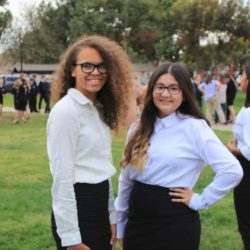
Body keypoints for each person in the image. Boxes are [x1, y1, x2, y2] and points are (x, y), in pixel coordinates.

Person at [115, 62, 243, 250]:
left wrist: (200, 200)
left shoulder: (195, 128)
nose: (165, 94)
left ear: (184, 94)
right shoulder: (138, 127)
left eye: (174, 88)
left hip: (175, 224)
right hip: (137, 222)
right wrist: (120, 223)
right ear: (151, 90)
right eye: (160, 87)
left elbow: (232, 170)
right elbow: (126, 179)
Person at [47, 35, 133, 250]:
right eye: (87, 66)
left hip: (100, 207)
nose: (95, 72)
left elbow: (103, 169)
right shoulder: (66, 112)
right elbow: (62, 179)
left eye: (101, 66)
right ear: (72, 70)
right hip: (78, 210)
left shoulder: (98, 110)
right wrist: (71, 239)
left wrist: (111, 217)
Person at [227, 64, 250, 250]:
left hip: (247, 172)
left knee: (247, 224)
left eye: (243, 76)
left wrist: (235, 150)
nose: (241, 80)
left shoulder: (249, 113)